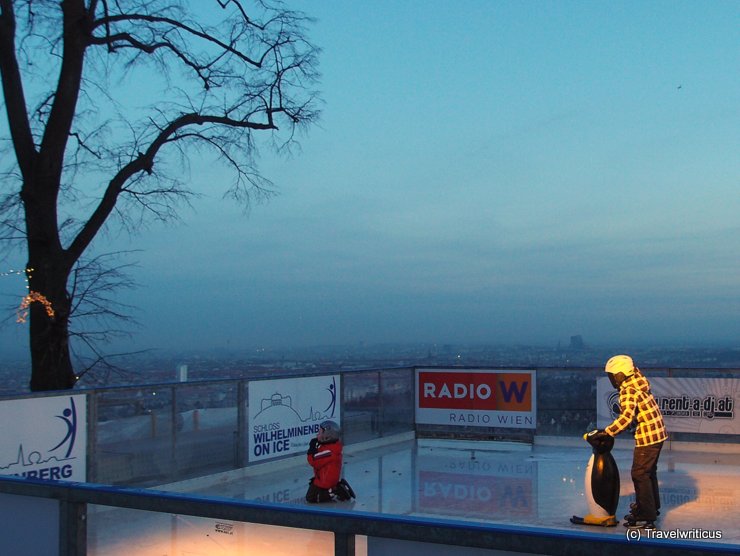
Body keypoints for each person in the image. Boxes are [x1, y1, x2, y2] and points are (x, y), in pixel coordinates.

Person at [596, 355, 667, 528]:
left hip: (648, 437)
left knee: (640, 474)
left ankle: (646, 515)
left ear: (620, 374)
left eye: (612, 375)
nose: (611, 379)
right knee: (648, 473)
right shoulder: (637, 380)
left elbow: (626, 417)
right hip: (658, 434)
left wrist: (608, 432)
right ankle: (650, 508)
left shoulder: (628, 390)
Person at [305, 420, 355, 503]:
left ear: (327, 437)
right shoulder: (330, 447)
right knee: (312, 490)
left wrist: (312, 448)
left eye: (320, 433)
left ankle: (335, 491)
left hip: (325, 482)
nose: (317, 434)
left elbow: (313, 461)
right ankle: (335, 487)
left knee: (311, 498)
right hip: (324, 478)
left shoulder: (329, 452)